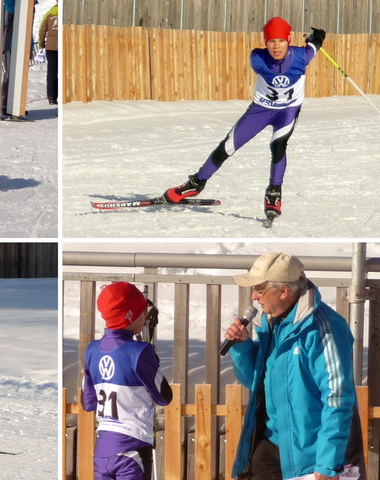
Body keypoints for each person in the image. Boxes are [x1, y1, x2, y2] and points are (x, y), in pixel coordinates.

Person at [162, 18, 326, 221]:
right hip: (261, 109)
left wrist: (318, 35)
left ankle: (274, 192)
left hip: (288, 111)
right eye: (271, 41)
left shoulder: (302, 56)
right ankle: (196, 183)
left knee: (278, 146)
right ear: (265, 43)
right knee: (228, 146)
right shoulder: (257, 58)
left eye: (281, 41)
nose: (276, 47)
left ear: (289, 40)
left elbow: (314, 46)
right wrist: (316, 39)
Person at [224, 253, 366, 480]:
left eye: (259, 289)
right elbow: (255, 383)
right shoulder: (271, 323)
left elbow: (337, 398)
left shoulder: (324, 329)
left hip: (310, 458)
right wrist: (241, 348)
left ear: (283, 291)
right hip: (271, 446)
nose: (253, 297)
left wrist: (328, 463)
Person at [82, 282, 172, 480]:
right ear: (130, 315)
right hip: (132, 448)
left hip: (103, 450)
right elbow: (164, 397)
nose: (144, 317)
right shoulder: (139, 352)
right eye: (142, 312)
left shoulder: (91, 350)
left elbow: (88, 403)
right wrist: (152, 363)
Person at [38, 1, 58, 105]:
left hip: (51, 47)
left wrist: (41, 44)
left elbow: (42, 30)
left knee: (51, 73)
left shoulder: (49, 14)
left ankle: (51, 97)